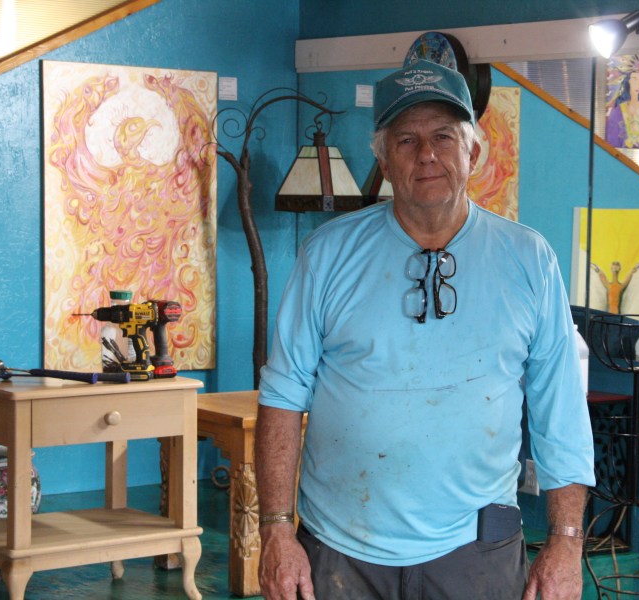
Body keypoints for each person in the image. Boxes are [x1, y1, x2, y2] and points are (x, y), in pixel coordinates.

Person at [255, 59, 595, 600]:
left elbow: (562, 412)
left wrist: (567, 542)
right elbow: (281, 396)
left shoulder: (529, 259)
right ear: (384, 160)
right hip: (341, 550)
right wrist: (274, 527)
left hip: (475, 552)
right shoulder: (328, 254)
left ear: (474, 152)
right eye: (407, 140)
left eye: (443, 136)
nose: (427, 154)